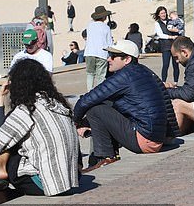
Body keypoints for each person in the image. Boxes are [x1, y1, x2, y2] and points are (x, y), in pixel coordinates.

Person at [0, 59, 79, 200]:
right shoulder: (59, 105)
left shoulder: (27, 109)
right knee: (11, 139)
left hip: (43, 184)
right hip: (71, 180)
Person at [73, 40, 179, 172]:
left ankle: (106, 158)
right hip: (158, 137)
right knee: (105, 105)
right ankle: (100, 159)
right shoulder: (144, 71)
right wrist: (170, 135)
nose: (108, 59)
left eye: (113, 56)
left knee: (95, 110)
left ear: (127, 59)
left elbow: (86, 100)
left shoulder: (124, 76)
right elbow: (165, 100)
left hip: (145, 139)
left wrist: (76, 122)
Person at [84, 6, 113, 90]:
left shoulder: (89, 26)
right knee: (100, 76)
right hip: (101, 53)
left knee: (90, 74)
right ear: (104, 17)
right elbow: (109, 44)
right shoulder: (106, 27)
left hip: (89, 52)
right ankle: (98, 93)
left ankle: (89, 91)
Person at [153, 6, 179, 84]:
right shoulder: (157, 23)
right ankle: (163, 82)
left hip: (174, 45)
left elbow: (178, 29)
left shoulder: (171, 20)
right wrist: (170, 37)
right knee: (165, 64)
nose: (163, 14)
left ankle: (176, 82)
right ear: (158, 14)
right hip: (165, 46)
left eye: (164, 13)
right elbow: (160, 35)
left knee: (176, 64)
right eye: (161, 13)